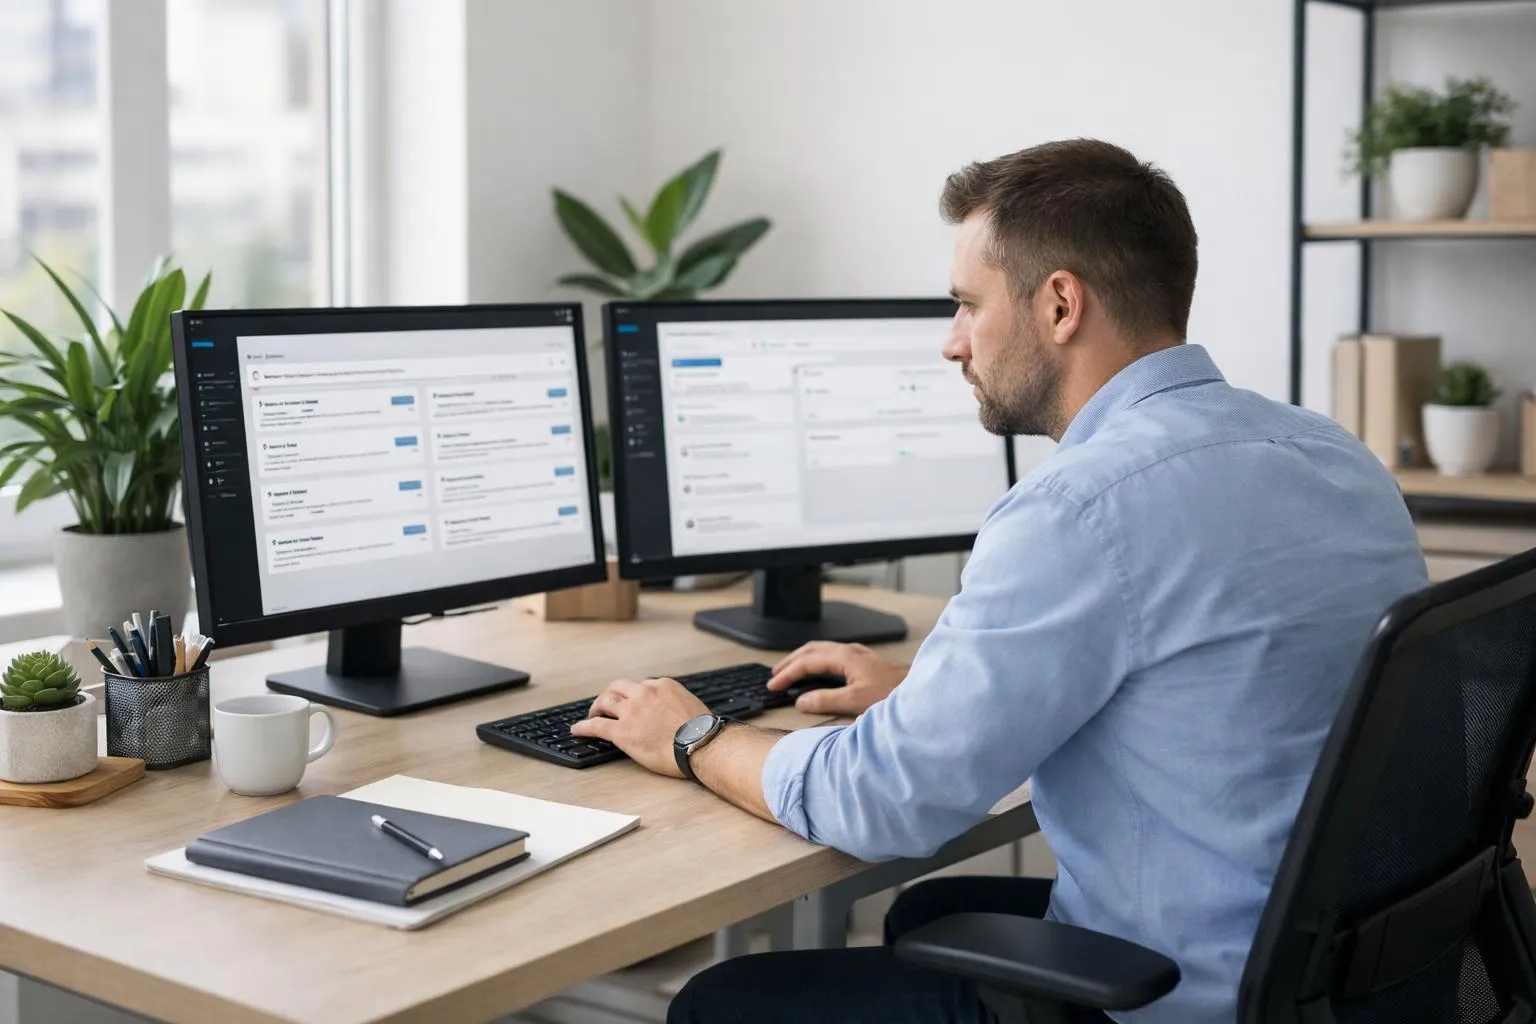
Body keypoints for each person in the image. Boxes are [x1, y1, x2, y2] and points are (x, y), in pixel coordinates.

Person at [570, 139, 1429, 1023]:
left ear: (1060, 303)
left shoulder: (1079, 507)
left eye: (967, 305)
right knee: (926, 915)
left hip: (1191, 995)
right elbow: (1221, 681)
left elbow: (879, 805)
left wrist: (695, 737)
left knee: (722, 1002)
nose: (952, 344)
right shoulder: (1331, 452)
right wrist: (927, 692)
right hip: (1352, 967)